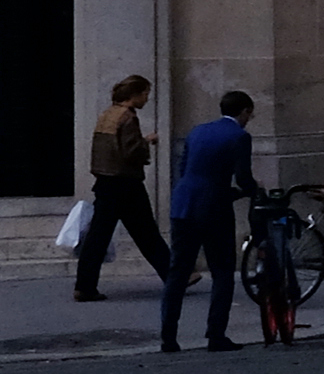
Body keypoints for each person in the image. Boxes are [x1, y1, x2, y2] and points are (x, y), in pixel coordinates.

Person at [161, 88, 259, 352]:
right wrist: (251, 192)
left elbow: (184, 169)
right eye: (250, 114)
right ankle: (216, 334)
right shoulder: (239, 136)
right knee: (223, 271)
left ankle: (168, 336)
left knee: (177, 272)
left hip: (184, 203)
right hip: (214, 207)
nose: (249, 119)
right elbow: (243, 177)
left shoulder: (198, 131)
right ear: (244, 111)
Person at [72, 73, 171, 302]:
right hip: (126, 183)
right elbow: (131, 151)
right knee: (146, 232)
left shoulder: (107, 115)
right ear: (134, 95)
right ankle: (175, 275)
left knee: (98, 236)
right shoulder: (128, 117)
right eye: (145, 94)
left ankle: (85, 285)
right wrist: (147, 143)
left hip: (106, 182)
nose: (147, 99)